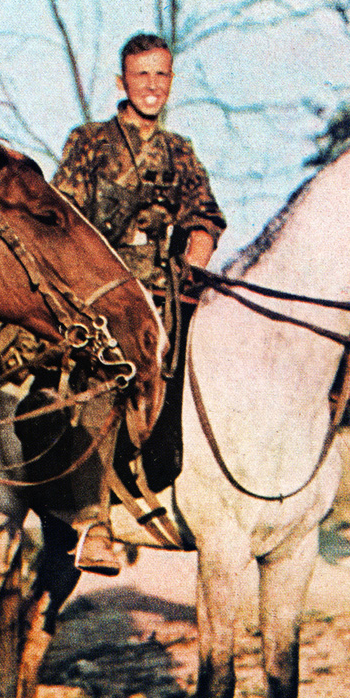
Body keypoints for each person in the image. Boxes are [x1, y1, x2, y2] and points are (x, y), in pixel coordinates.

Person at [49, 32, 226, 573]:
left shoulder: (180, 150)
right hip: (102, 288)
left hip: (167, 290)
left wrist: (193, 268)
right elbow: (63, 219)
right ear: (121, 82)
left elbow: (204, 216)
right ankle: (94, 522)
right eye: (141, 75)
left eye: (161, 75)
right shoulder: (90, 141)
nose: (152, 86)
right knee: (104, 375)